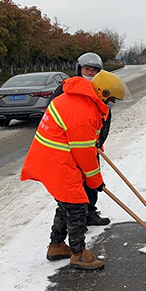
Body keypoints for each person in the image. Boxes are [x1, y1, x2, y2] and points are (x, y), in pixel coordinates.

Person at [52, 52, 111, 226]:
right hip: (68, 148)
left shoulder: (99, 90)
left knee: (91, 177)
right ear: (79, 69)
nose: (90, 74)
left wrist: (99, 140)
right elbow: (54, 114)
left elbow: (105, 116)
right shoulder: (66, 89)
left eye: (94, 71)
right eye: (87, 69)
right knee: (73, 184)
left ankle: (90, 212)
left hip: (89, 145)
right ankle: (75, 219)